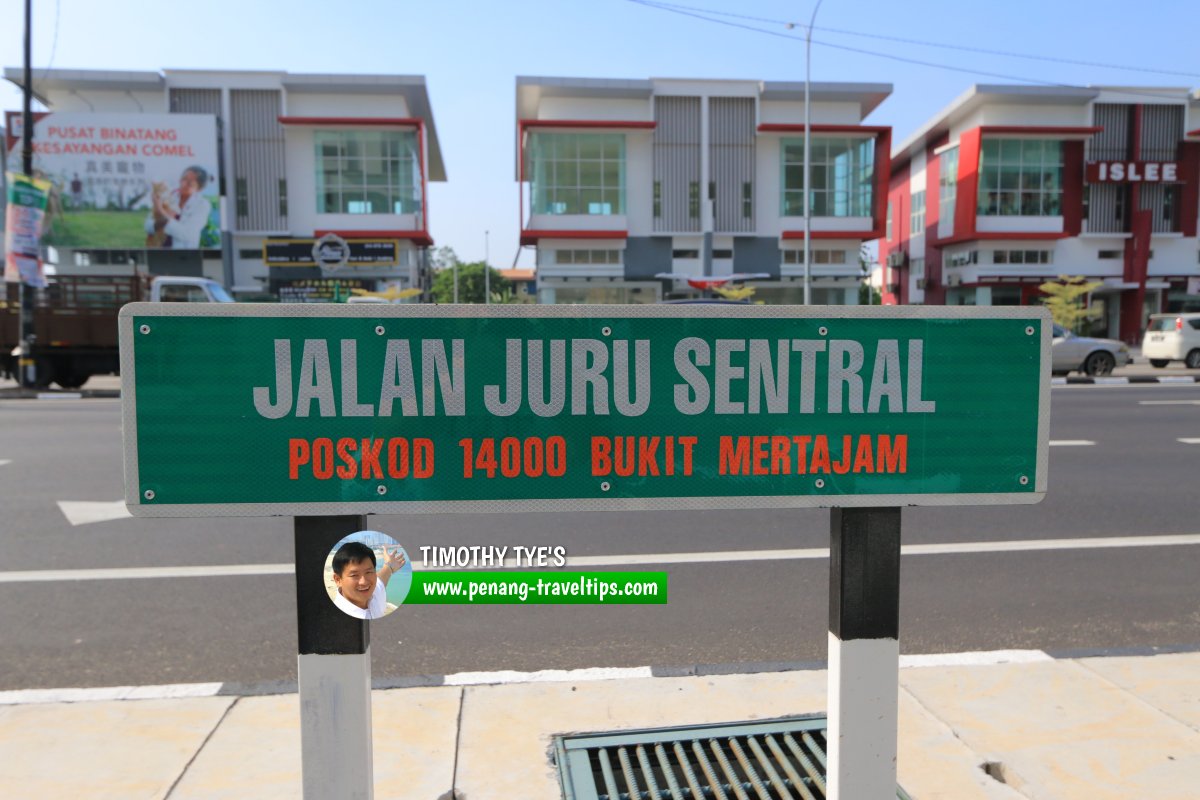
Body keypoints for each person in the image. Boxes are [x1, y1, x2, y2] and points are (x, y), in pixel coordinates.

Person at [330, 541, 407, 620]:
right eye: (354, 575)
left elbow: (381, 579)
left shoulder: (374, 594)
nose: (364, 582)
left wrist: (389, 566)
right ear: (338, 580)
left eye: (368, 572)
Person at [144, 165, 211, 249]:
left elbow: (187, 234)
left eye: (189, 183)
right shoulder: (168, 196)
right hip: (158, 251)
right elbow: (148, 226)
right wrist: (160, 219)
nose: (183, 184)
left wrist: (161, 212)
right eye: (183, 179)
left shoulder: (202, 205)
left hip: (182, 256)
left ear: (199, 189)